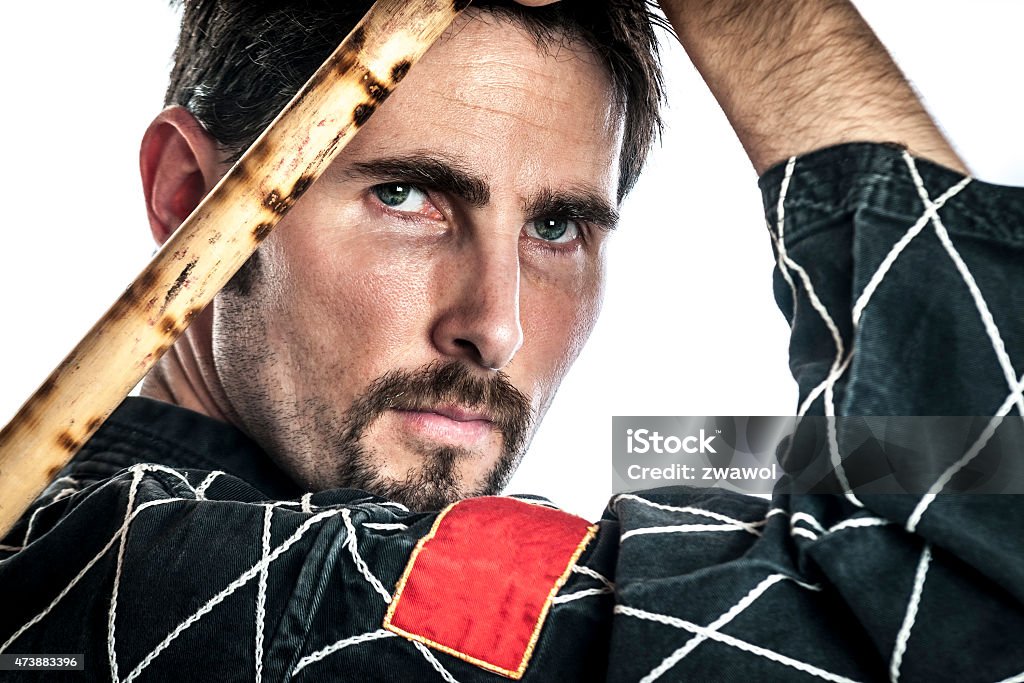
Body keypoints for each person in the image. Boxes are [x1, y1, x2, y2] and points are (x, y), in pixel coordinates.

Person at [1, 0, 1022, 681]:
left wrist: (762, 447)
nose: (495, 324)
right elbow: (978, 583)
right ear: (190, 198)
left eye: (555, 226)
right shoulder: (153, 584)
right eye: (407, 196)